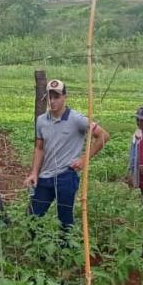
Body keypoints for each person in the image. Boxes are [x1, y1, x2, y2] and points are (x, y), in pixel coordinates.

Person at [25, 79, 109, 230]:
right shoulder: (41, 120)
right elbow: (39, 148)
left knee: (65, 219)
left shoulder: (77, 119)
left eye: (56, 97)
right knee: (32, 216)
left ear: (65, 97)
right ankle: (40, 252)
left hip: (66, 175)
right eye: (50, 97)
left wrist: (84, 159)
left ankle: (65, 250)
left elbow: (103, 136)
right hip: (45, 176)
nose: (52, 101)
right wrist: (34, 173)